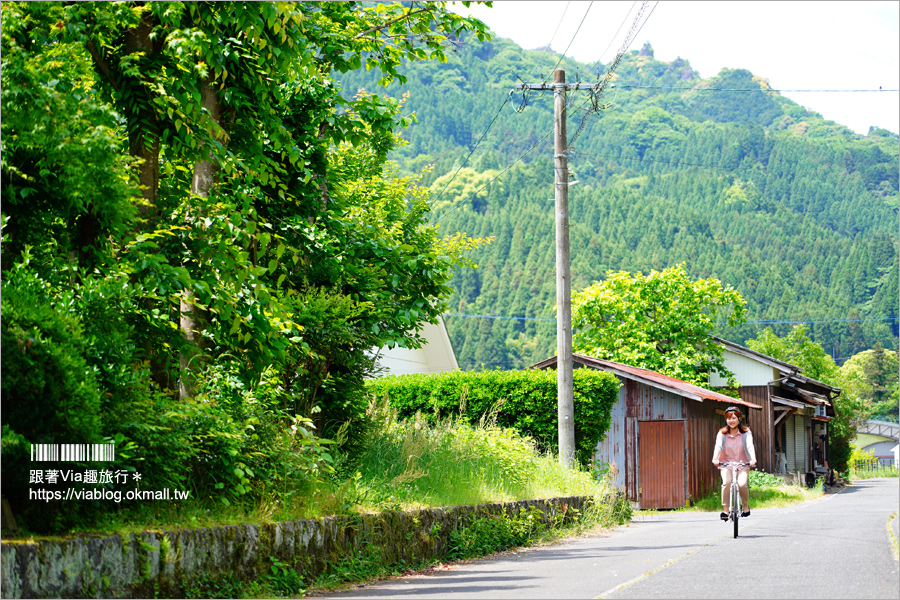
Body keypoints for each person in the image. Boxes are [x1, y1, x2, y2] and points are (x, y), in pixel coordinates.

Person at [711, 406, 756, 521]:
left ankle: (745, 505)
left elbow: (750, 446)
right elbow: (718, 446)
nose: (731, 421)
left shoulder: (746, 433)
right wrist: (715, 458)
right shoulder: (722, 433)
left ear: (739, 419)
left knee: (741, 484)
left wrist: (753, 458)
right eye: (728, 418)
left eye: (734, 418)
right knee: (726, 483)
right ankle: (726, 510)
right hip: (726, 463)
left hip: (743, 464)